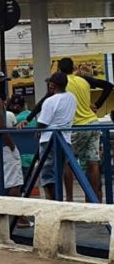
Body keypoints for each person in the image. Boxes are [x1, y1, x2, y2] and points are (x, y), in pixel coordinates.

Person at [24, 58, 113, 202]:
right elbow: (108, 86)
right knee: (93, 162)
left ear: (59, 70)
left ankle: (70, 199)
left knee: (66, 161)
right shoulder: (83, 80)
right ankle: (94, 200)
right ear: (73, 68)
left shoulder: (63, 86)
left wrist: (28, 118)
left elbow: (43, 102)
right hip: (92, 122)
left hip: (77, 127)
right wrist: (97, 104)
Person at [35, 72, 77, 200]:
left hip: (49, 140)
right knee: (60, 170)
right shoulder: (72, 97)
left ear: (52, 85)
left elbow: (42, 122)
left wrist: (37, 131)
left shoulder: (50, 101)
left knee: (47, 175)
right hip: (65, 139)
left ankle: (54, 202)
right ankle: (65, 199)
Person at [8, 95, 37, 177]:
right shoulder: (31, 115)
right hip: (33, 154)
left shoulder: (18, 118)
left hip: (23, 157)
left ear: (16, 106)